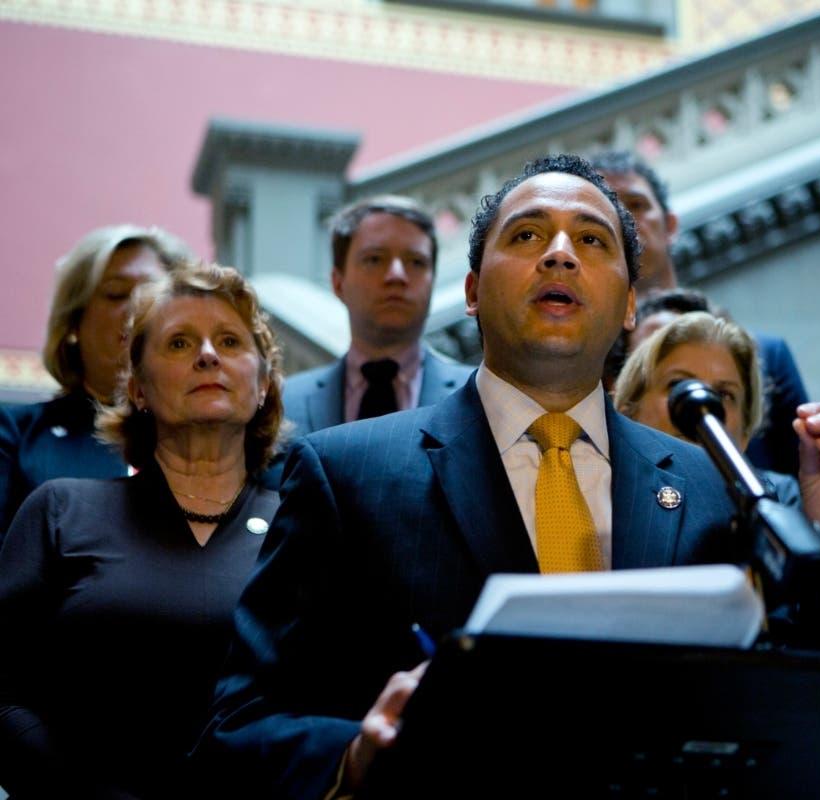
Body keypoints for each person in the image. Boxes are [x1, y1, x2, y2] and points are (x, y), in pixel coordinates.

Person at [193, 154, 820, 798]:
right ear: (472, 291)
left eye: (592, 241)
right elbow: (236, 730)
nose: (560, 253)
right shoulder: (346, 473)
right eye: (528, 235)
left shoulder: (712, 487)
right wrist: (354, 757)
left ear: (630, 305)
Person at [0, 262, 287, 799]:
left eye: (229, 340)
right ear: (137, 388)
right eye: (179, 343)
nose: (207, 355)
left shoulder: (302, 525)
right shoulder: (61, 511)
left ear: (263, 383)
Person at [589, 150, 809, 477]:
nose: (623, 221)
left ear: (670, 225)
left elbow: (804, 481)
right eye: (605, 212)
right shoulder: (583, 378)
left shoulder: (767, 355)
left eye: (636, 204)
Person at [0, 224, 194, 537]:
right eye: (116, 294)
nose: (138, 307)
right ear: (73, 323)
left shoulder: (215, 434)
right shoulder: (18, 435)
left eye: (154, 293)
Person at [281, 195, 474, 435]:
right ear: (338, 283)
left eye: (416, 262)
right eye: (374, 259)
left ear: (432, 281)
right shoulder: (283, 405)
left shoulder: (475, 399)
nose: (396, 275)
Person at [614, 309, 799, 505]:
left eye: (724, 394)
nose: (701, 405)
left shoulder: (779, 500)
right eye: (678, 385)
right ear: (628, 416)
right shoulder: (600, 506)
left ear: (745, 435)